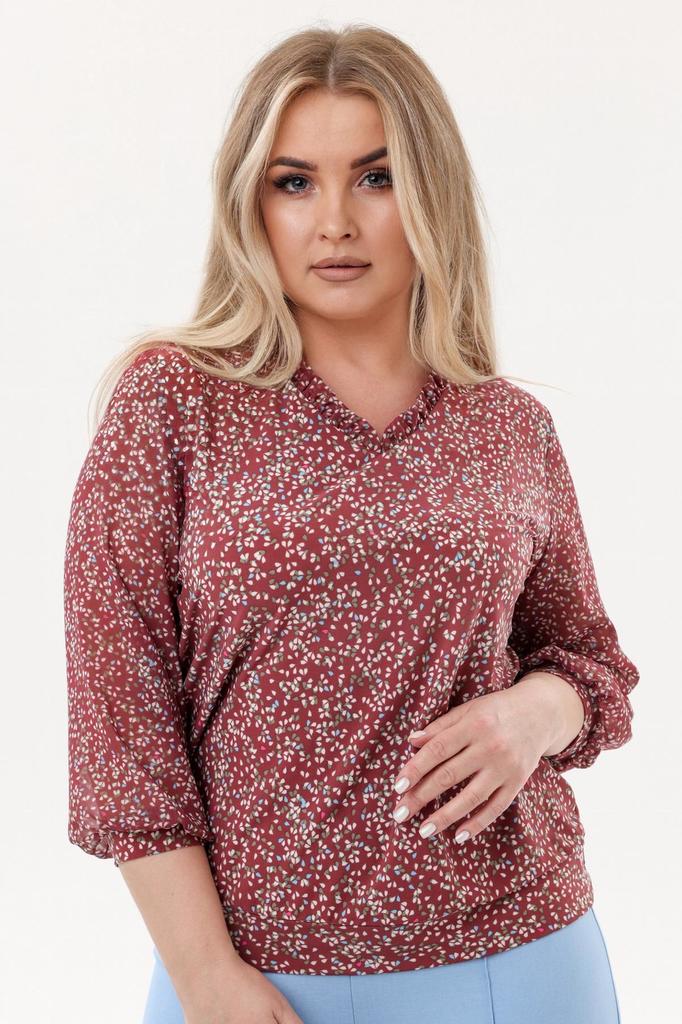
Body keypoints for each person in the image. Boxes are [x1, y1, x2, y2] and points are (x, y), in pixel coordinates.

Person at [63, 23, 638, 1024]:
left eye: (376, 178)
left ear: (431, 193)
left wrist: (533, 716)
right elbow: (121, 725)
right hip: (250, 980)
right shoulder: (172, 405)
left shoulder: (509, 426)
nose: (334, 222)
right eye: (294, 182)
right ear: (250, 203)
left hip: (523, 958)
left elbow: (589, 663)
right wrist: (205, 977)